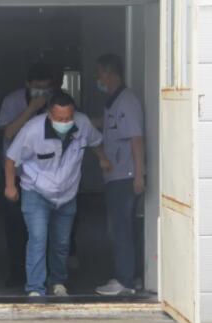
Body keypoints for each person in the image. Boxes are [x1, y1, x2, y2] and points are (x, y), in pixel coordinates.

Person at [5, 91, 112, 297]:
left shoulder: (82, 124)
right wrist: (10, 186)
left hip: (67, 193)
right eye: (60, 119)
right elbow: (11, 159)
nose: (65, 122)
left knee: (62, 242)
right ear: (49, 114)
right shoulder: (32, 130)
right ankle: (35, 288)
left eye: (68, 118)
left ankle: (58, 282)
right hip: (36, 192)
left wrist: (103, 158)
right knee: (38, 239)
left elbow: (95, 142)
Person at [0, 63, 56, 287]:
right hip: (17, 175)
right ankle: (17, 274)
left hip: (47, 175)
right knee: (16, 228)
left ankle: (44, 275)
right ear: (28, 84)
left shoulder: (55, 101)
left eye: (46, 88)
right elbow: (8, 133)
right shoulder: (12, 101)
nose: (42, 92)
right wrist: (31, 109)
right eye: (38, 87)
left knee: (44, 229)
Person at [93, 54, 145, 297]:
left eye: (100, 73)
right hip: (116, 174)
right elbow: (106, 126)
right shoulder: (112, 102)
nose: (98, 79)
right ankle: (132, 276)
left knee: (120, 229)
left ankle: (125, 280)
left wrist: (138, 175)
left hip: (126, 175)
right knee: (123, 227)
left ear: (109, 73)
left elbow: (136, 138)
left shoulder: (127, 101)